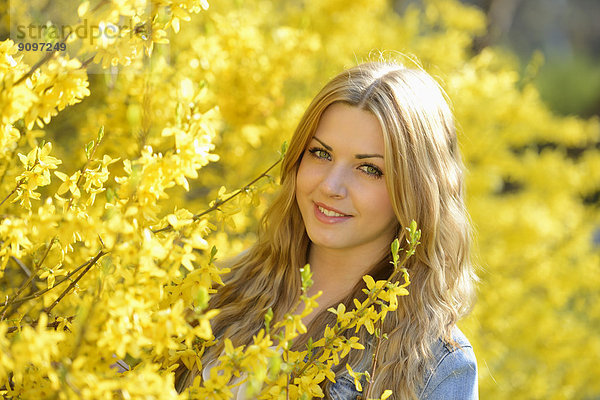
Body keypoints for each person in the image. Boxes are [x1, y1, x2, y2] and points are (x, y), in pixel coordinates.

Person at [175, 60, 478, 399]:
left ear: (417, 191)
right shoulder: (218, 292)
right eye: (320, 153)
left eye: (369, 169)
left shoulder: (435, 365)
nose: (332, 185)